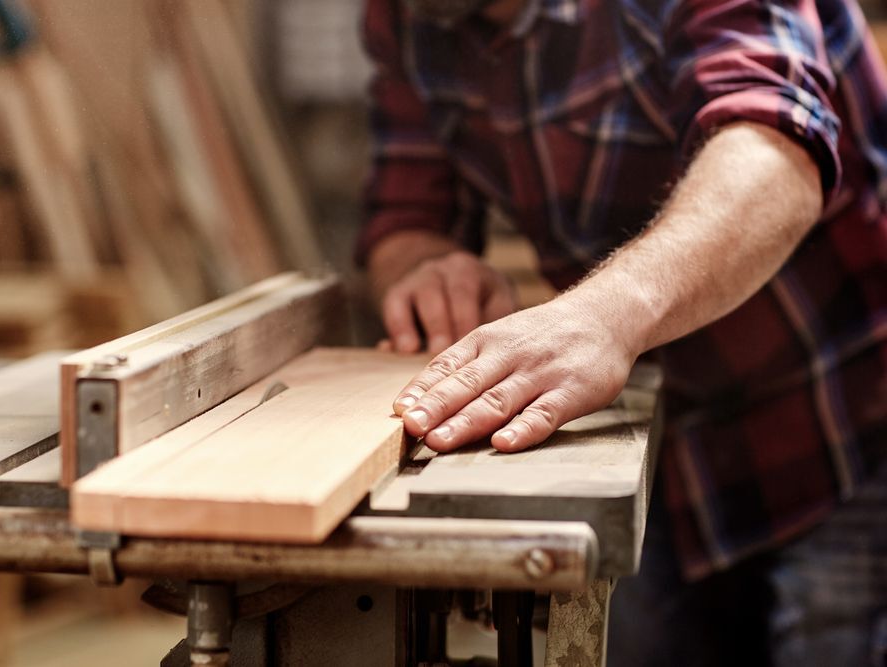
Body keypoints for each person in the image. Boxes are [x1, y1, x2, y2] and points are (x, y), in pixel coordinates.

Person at [356, 0, 887, 663]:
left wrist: (601, 318)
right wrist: (426, 267)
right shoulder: (410, 16)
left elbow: (777, 152)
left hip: (844, 420)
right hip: (661, 435)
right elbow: (403, 212)